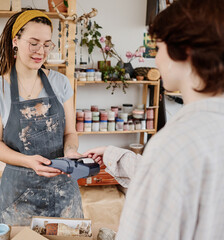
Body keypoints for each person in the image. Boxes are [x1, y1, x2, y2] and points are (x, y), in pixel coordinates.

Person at [84, 0, 224, 239]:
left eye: (158, 48)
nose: (156, 60)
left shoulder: (174, 144)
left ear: (185, 50)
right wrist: (112, 153)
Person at [0, 9, 83, 226]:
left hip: (63, 191)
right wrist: (29, 161)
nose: (41, 51)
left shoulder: (61, 83)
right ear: (15, 41)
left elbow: (70, 132)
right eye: (34, 43)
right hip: (19, 197)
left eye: (47, 44)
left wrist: (71, 152)